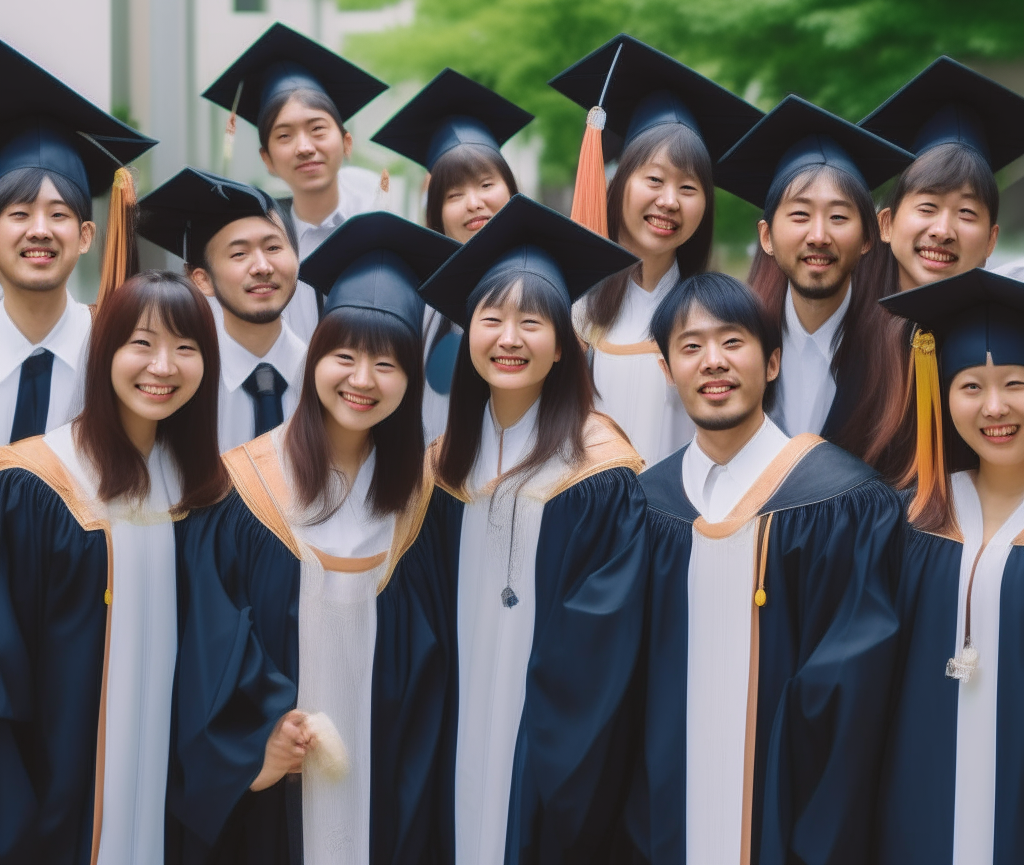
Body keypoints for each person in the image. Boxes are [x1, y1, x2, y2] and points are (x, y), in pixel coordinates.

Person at [167, 212, 457, 865]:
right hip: (275, 796)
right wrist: (253, 745)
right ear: (315, 355)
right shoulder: (244, 490)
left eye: (387, 363)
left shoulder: (425, 504)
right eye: (344, 356)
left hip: (387, 782)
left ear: (410, 380)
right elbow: (206, 652)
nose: (361, 380)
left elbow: (441, 674)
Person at [380, 194, 646, 865]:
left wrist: (545, 742)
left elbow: (604, 647)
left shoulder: (601, 471)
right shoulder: (442, 466)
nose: (508, 338)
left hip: (546, 743)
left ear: (562, 346)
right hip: (459, 720)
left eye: (532, 322)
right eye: (490, 318)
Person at [630, 271, 902, 865]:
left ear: (771, 363)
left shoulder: (839, 500)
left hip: (789, 816)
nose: (713, 362)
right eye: (690, 346)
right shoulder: (645, 506)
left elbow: (850, 700)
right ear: (667, 371)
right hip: (666, 814)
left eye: (733, 342)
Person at [0, 270, 227, 864]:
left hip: (168, 802)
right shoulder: (36, 484)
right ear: (105, 353)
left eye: (186, 347)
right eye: (142, 344)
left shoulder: (203, 493)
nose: (164, 366)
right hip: (54, 802)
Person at [549, 34, 763, 466]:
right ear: (619, 184)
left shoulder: (714, 316)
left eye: (688, 187)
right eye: (654, 180)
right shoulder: (573, 303)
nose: (669, 201)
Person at [874, 269, 1024, 864]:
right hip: (917, 793)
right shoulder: (911, 519)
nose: (995, 407)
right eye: (970, 386)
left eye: (1016, 382)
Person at [716, 94, 913, 462]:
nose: (819, 235)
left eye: (838, 217)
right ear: (766, 238)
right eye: (800, 215)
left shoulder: (899, 354)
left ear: (868, 238)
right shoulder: (737, 346)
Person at [0, 37, 156, 443]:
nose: (40, 229)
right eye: (19, 213)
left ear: (85, 236)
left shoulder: (119, 356)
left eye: (58, 214)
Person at [371, 67, 533, 443]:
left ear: (511, 190)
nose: (474, 204)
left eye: (487, 184)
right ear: (437, 214)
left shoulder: (542, 288)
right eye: (454, 195)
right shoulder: (420, 300)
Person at [203, 21, 389, 342]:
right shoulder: (264, 253)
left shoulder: (381, 228)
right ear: (268, 160)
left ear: (346, 142)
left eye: (317, 129)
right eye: (285, 135)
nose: (305, 148)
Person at [138, 167, 307, 451]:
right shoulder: (176, 388)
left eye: (274, 248)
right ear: (202, 280)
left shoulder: (326, 380)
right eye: (239, 253)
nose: (262, 267)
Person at [860, 56, 1019, 294]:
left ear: (990, 241)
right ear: (886, 224)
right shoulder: (844, 322)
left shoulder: (1009, 326)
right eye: (927, 208)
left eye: (966, 212)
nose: (942, 231)